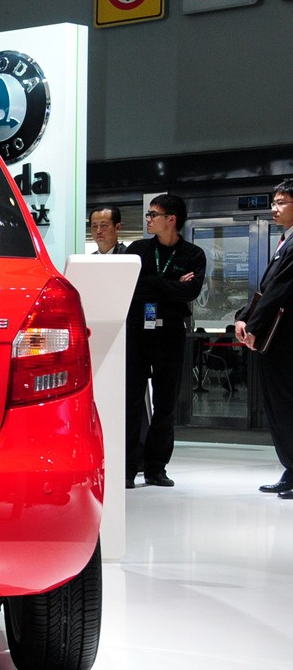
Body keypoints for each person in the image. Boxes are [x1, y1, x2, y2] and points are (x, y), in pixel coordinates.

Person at [124, 194, 206, 488]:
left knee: (165, 403)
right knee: (131, 401)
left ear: (171, 219)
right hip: (137, 331)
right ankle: (127, 468)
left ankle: (156, 468)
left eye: (153, 215)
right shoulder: (137, 250)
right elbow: (130, 288)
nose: (148, 219)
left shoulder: (193, 254)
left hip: (170, 332)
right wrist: (169, 285)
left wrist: (152, 284)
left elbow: (190, 292)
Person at [235, 179, 293, 499]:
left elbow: (279, 290)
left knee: (285, 404)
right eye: (274, 201)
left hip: (285, 340)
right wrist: (243, 317)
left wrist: (254, 327)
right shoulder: (285, 240)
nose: (274, 208)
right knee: (278, 405)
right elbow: (265, 289)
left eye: (282, 202)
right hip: (277, 340)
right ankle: (290, 468)